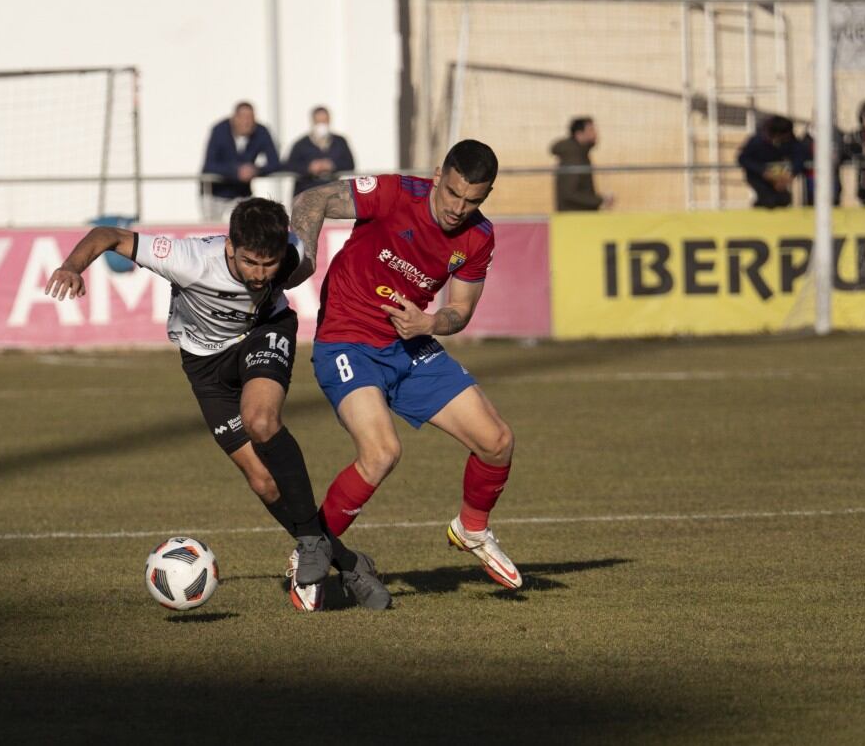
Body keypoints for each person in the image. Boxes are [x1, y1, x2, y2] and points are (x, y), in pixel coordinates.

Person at [44, 198, 390, 612]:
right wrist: (71, 267)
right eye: (250, 263)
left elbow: (302, 255)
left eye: (269, 264)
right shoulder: (188, 259)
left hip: (263, 333)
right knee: (263, 480)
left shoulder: (291, 259)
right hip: (205, 366)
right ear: (230, 247)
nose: (261, 275)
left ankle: (312, 542)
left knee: (261, 420)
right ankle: (348, 563)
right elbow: (109, 235)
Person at [290, 139, 523, 596]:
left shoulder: (479, 237)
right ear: (439, 174)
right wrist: (304, 258)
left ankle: (471, 528)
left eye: (473, 200)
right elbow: (311, 198)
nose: (459, 208)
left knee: (497, 442)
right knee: (381, 453)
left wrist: (430, 322)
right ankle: (310, 551)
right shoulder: (396, 194)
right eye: (453, 193)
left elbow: (460, 309)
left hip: (410, 341)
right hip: (348, 338)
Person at [200, 102, 281, 222]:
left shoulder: (261, 131)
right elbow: (209, 166)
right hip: (216, 193)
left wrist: (255, 170)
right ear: (234, 118)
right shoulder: (219, 131)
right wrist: (235, 171)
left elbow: (275, 163)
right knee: (212, 235)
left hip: (242, 194)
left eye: (250, 118)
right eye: (243, 118)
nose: (247, 123)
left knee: (247, 231)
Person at [285, 106, 356, 197]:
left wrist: (332, 165)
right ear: (313, 122)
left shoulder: (340, 141)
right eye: (318, 122)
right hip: (307, 193)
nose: (322, 125)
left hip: (333, 193)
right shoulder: (301, 144)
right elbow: (289, 166)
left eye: (325, 121)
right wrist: (309, 168)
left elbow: (350, 164)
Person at [550, 116, 612, 212]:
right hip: (575, 218)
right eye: (591, 130)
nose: (595, 134)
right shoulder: (572, 157)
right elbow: (569, 193)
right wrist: (599, 200)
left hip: (578, 217)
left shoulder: (580, 153)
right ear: (579, 134)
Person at [737, 115, 800, 209]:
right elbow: (743, 158)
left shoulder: (790, 141)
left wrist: (791, 173)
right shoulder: (757, 141)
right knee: (768, 200)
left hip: (780, 175)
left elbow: (800, 155)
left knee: (784, 199)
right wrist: (763, 172)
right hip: (759, 177)